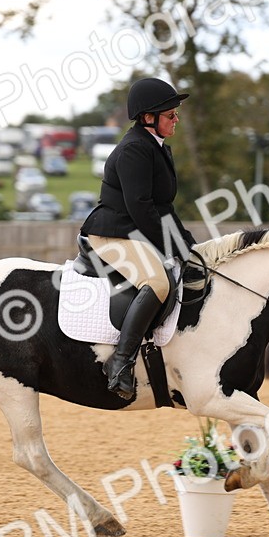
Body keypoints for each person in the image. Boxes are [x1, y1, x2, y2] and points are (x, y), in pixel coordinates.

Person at [79, 77, 198, 399]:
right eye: (170, 115)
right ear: (148, 117)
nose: (176, 119)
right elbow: (141, 207)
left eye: (176, 114)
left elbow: (163, 207)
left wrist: (188, 244)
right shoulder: (134, 149)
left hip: (134, 230)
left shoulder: (155, 147)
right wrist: (170, 246)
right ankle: (120, 361)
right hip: (113, 232)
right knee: (158, 283)